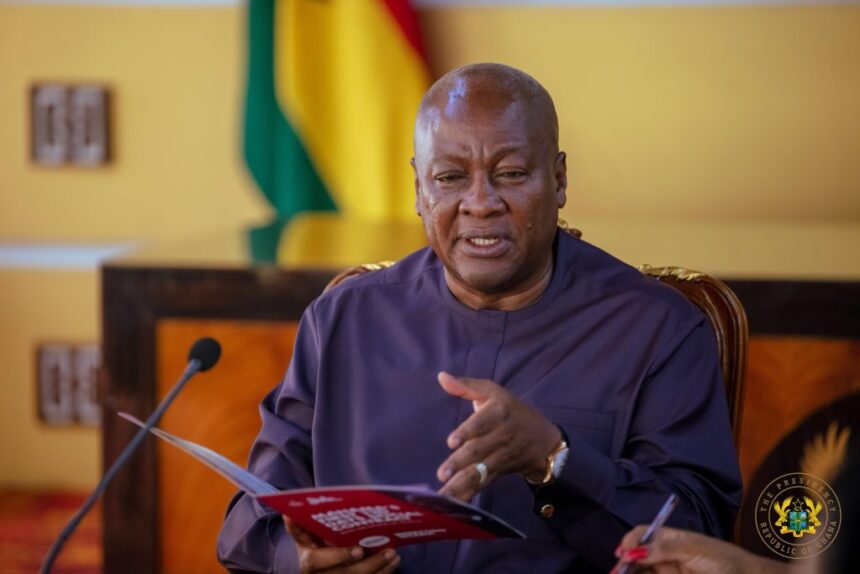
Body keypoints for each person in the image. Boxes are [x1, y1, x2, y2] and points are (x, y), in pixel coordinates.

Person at [217, 63, 742, 573]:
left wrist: (554, 458)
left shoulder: (658, 328)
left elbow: (698, 534)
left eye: (510, 174)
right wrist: (299, 559)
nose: (480, 204)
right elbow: (248, 523)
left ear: (559, 180)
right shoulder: (342, 319)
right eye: (449, 177)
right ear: (418, 190)